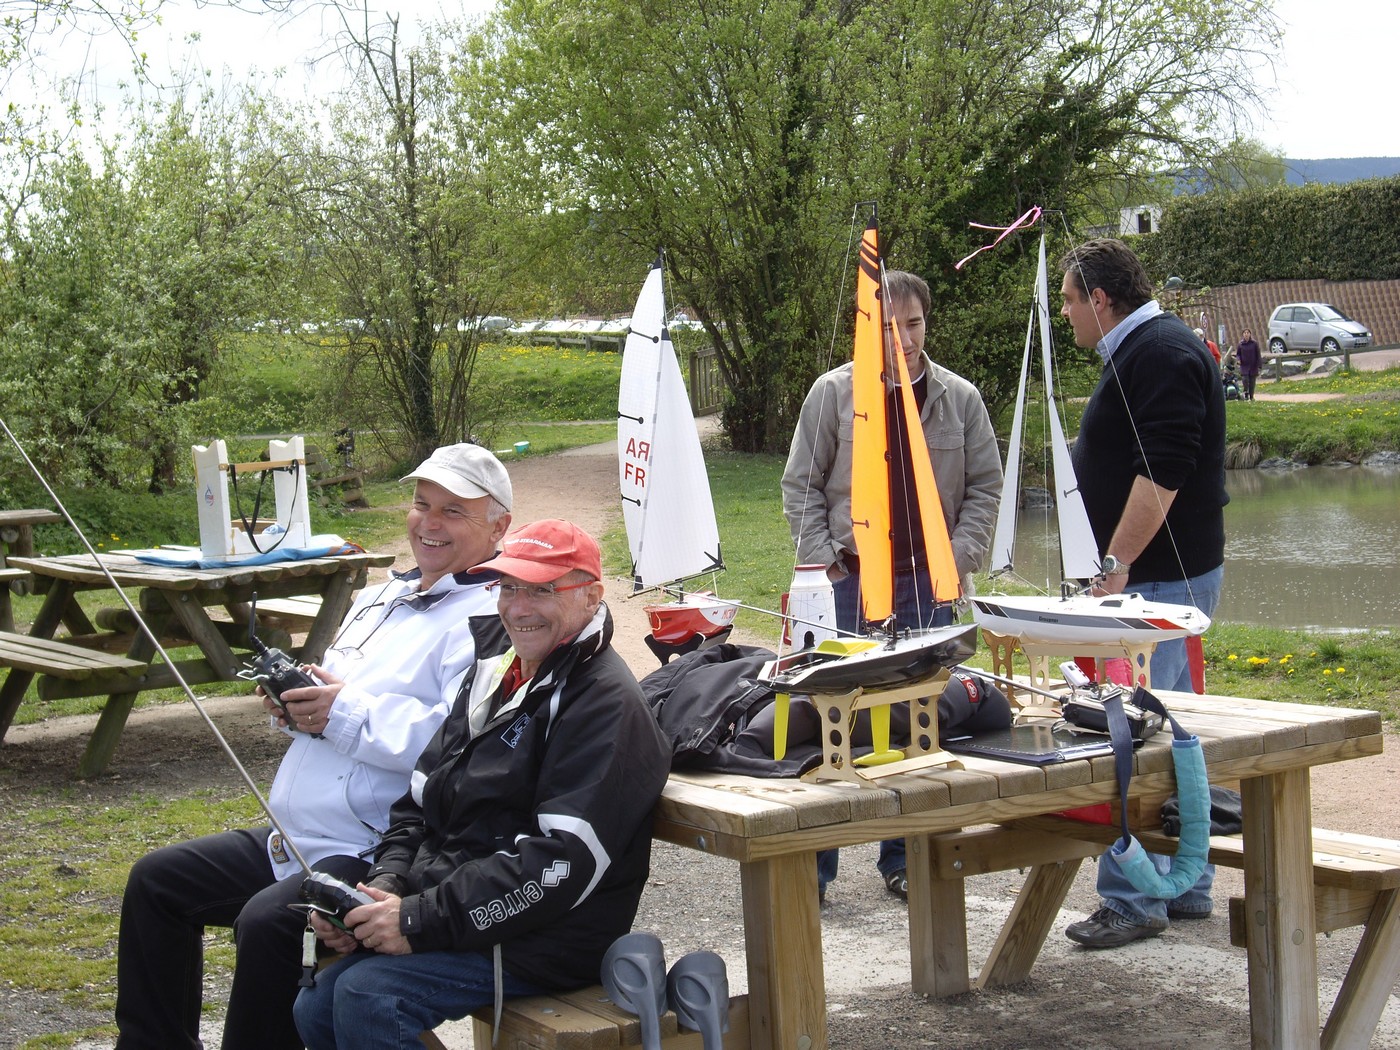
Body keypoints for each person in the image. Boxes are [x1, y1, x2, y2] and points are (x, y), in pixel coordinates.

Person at [115, 443, 514, 1050]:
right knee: (157, 882)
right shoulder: (381, 596)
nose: (429, 523)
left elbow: (456, 743)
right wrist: (296, 706)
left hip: (373, 847)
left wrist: (338, 712)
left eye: (453, 511)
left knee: (267, 923)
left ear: (499, 527)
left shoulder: (493, 615)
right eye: (421, 504)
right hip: (296, 837)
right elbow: (336, 704)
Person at [293, 519, 672, 1050]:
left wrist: (417, 919)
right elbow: (419, 802)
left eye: (542, 590)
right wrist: (386, 888)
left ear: (591, 596)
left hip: (547, 935)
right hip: (462, 910)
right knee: (315, 1005)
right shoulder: (496, 668)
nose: (518, 608)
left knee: (368, 996)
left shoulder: (605, 702)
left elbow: (560, 864)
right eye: (509, 588)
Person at [781, 269, 1002, 901]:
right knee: (831, 717)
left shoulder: (960, 399)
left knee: (920, 719)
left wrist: (956, 560)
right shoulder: (832, 394)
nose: (903, 339)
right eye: (888, 327)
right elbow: (801, 486)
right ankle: (814, 870)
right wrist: (826, 563)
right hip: (850, 583)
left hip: (928, 587)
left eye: (914, 323)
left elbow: (985, 488)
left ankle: (908, 858)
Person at [1057, 238, 1227, 950]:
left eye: (1070, 300)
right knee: (1171, 733)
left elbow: (1162, 474)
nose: (1066, 314)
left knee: (1138, 734)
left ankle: (1135, 896)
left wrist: (1116, 562)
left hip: (1156, 582)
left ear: (1100, 299)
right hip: (1153, 578)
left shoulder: (1158, 353)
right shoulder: (1143, 349)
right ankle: (1184, 881)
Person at [1235, 327, 1262, 400]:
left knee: (1252, 382)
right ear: (1243, 335)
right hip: (1244, 365)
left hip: (1253, 365)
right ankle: (1246, 393)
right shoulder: (1241, 344)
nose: (1246, 334)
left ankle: (1251, 396)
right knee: (1245, 379)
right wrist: (1238, 360)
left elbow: (1258, 354)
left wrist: (1259, 365)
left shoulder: (1254, 343)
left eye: (1248, 333)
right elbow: (1238, 354)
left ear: (1250, 334)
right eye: (1245, 333)